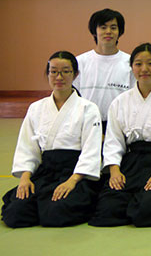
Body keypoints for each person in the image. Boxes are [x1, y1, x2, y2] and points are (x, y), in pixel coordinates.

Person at [89, 43, 151, 227]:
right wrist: (114, 171)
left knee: (146, 211)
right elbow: (113, 141)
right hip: (131, 161)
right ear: (131, 67)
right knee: (106, 211)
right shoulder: (120, 101)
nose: (144, 69)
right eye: (138, 64)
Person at [2, 51, 102, 227]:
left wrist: (72, 181)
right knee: (15, 214)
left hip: (74, 172)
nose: (59, 77)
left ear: (75, 75)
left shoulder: (88, 108)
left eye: (65, 71)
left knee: (56, 214)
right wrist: (25, 178)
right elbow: (28, 147)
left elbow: (91, 150)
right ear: (48, 74)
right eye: (53, 71)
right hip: (46, 171)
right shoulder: (36, 108)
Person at [74, 8, 135, 132]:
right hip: (85, 124)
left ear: (119, 32)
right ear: (94, 31)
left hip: (119, 125)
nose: (108, 32)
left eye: (113, 27)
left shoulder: (130, 63)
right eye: (103, 27)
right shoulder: (80, 62)